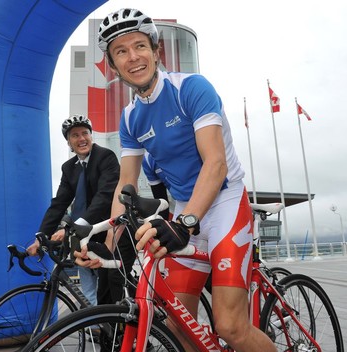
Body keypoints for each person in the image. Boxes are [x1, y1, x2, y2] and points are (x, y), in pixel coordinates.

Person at [74, 8, 277, 352]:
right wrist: (105, 244)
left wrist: (184, 222)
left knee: (229, 326)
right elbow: (125, 184)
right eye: (121, 51)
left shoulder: (191, 88)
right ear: (112, 64)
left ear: (156, 51)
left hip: (224, 203)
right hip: (187, 211)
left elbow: (215, 164)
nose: (132, 57)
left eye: (139, 46)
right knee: (178, 324)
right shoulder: (130, 118)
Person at [27, 114, 121, 306]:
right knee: (87, 287)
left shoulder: (105, 156)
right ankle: (95, 328)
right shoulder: (68, 168)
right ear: (69, 143)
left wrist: (76, 226)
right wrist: (41, 236)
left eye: (85, 133)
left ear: (91, 136)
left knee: (109, 288)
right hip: (81, 236)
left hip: (107, 231)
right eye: (75, 135)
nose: (81, 139)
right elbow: (59, 204)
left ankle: (116, 330)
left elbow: (104, 197)